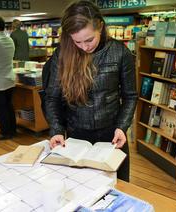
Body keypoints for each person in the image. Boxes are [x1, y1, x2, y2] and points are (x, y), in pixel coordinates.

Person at [44, 0, 137, 182]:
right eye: (77, 41)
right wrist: (56, 129)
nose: (85, 47)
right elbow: (52, 97)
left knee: (117, 188)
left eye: (89, 39)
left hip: (112, 137)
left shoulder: (120, 52)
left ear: (100, 27)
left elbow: (130, 96)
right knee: (80, 187)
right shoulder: (62, 54)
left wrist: (122, 127)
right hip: (76, 137)